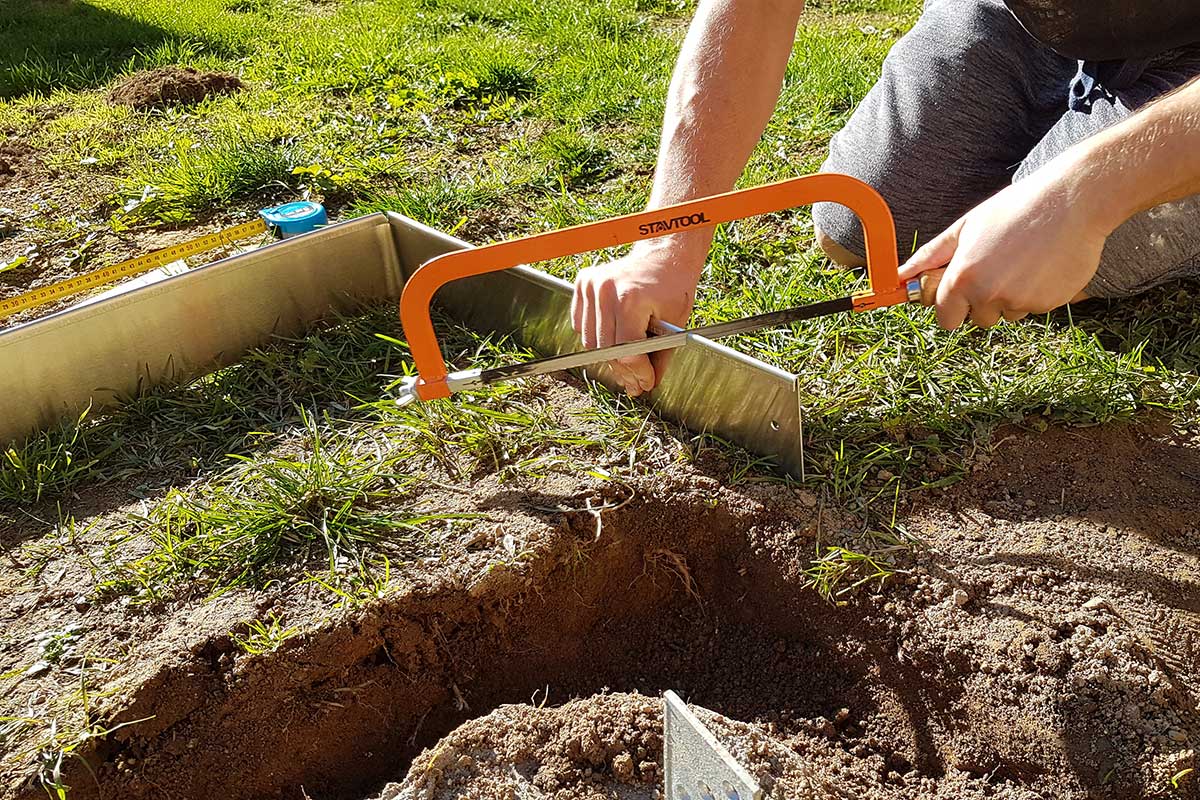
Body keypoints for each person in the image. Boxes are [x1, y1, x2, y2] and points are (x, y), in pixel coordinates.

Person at [571, 0, 1200, 397]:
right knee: (858, 227)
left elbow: (1071, 211)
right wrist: (668, 240)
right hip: (1031, 16)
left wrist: (1079, 198)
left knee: (1074, 249)